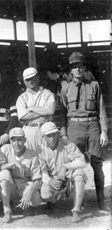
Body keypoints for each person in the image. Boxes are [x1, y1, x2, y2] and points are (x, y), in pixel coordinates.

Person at [60, 52, 110, 211]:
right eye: (74, 67)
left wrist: (104, 131)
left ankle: (101, 201)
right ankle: (78, 202)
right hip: (74, 127)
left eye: (80, 66)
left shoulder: (94, 85)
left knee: (97, 164)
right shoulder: (65, 88)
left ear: (84, 67)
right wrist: (63, 133)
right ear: (71, 70)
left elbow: (101, 109)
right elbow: (62, 113)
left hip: (93, 127)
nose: (78, 69)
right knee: (75, 165)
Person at [38, 122, 87, 223]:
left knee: (79, 174)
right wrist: (49, 181)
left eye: (54, 135)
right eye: (48, 136)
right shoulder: (40, 150)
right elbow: (42, 171)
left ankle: (76, 211)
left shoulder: (67, 144)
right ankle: (54, 201)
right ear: (43, 137)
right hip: (52, 178)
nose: (52, 138)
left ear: (57, 134)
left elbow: (82, 161)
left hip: (68, 176)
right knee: (45, 194)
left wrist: (66, 167)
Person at [0, 127, 43, 223]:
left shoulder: (32, 154)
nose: (16, 144)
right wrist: (13, 163)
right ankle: (7, 211)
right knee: (3, 173)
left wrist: (29, 193)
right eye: (13, 140)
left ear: (25, 140)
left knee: (36, 200)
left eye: (19, 140)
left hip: (24, 185)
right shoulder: (4, 149)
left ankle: (22, 203)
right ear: (10, 141)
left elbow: (37, 180)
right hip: (10, 185)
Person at [16, 67, 56, 151]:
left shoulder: (47, 93)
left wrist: (31, 108)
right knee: (31, 157)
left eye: (32, 78)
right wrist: (43, 110)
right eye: (27, 80)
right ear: (24, 81)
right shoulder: (22, 97)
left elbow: (50, 110)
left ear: (37, 78)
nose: (30, 81)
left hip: (46, 129)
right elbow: (23, 117)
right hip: (29, 131)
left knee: (47, 157)